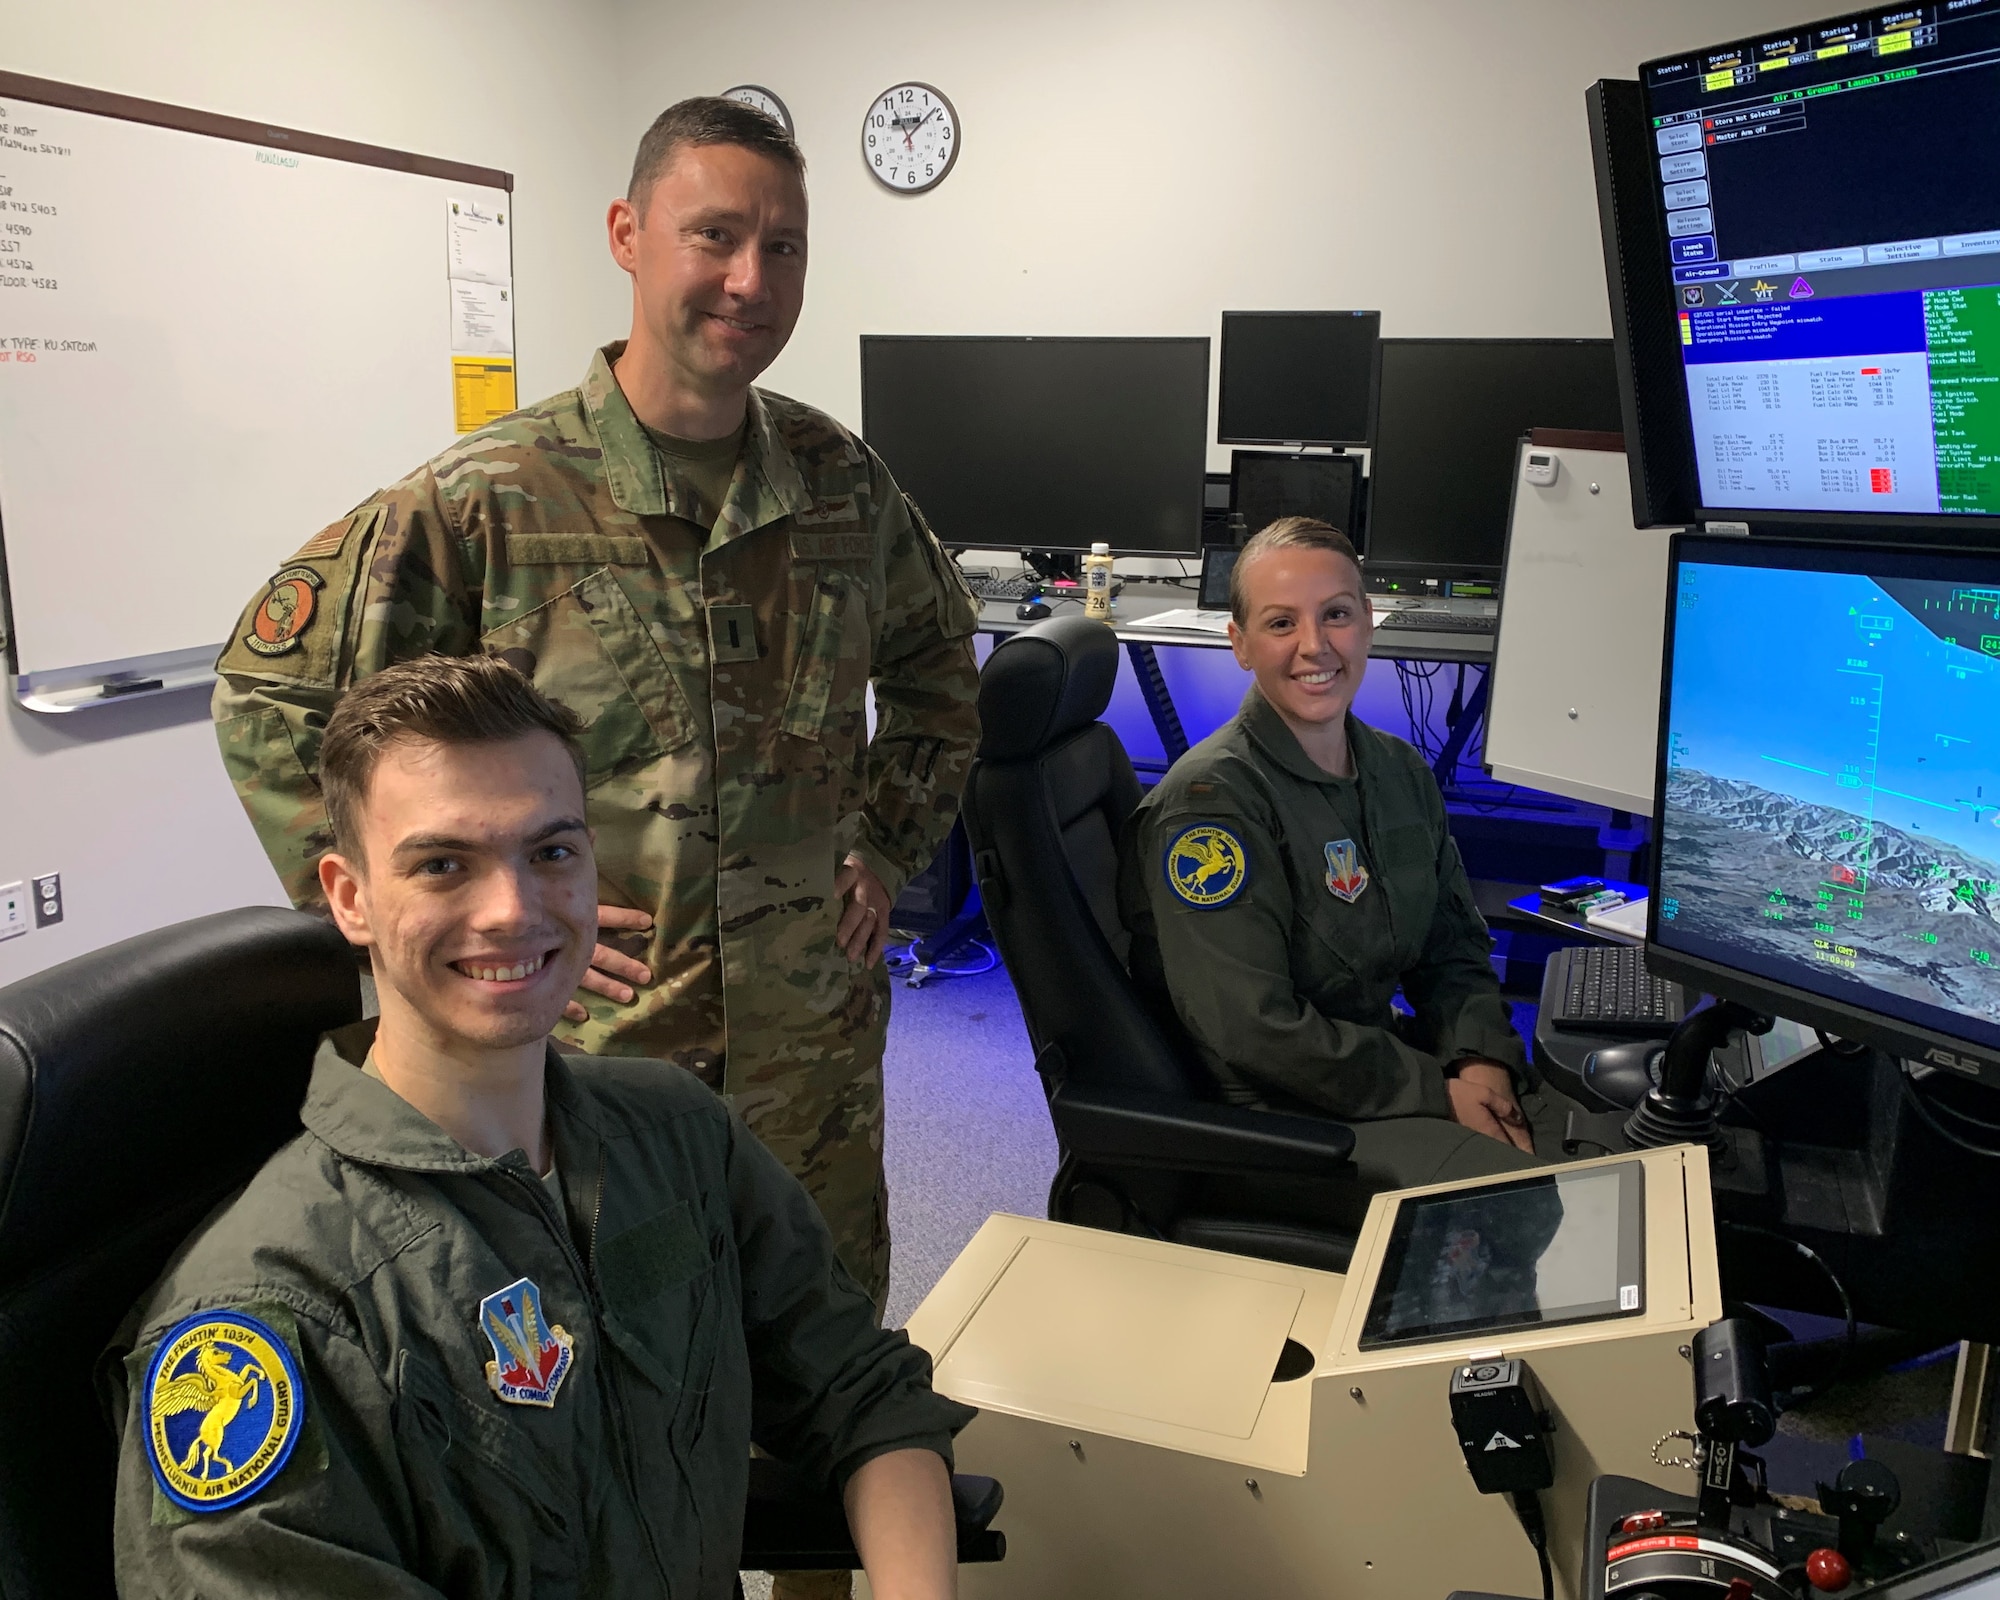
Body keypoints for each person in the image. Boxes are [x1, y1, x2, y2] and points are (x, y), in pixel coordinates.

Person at [210, 97, 981, 1325]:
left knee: (819, 1362)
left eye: (781, 246)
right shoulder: (487, 500)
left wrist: (885, 845)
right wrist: (443, 937)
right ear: (628, 233)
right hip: (594, 1061)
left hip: (813, 1058)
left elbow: (944, 670)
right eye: (713, 235)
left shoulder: (840, 482)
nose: (748, 279)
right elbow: (271, 693)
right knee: (604, 1381)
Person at [111, 655, 973, 1599]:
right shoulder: (270, 1319)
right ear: (349, 898)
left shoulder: (675, 1134)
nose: (513, 910)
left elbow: (862, 1393)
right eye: (443, 865)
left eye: (551, 852)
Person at [1117, 517, 1586, 1190]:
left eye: (1335, 614)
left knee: (1603, 1149)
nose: (1315, 646)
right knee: (1547, 1201)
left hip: (1380, 1062)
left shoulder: (1397, 770)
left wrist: (1478, 1058)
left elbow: (1451, 945)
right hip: (1284, 1111)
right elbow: (1254, 1034)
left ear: (1369, 621)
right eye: (1281, 624)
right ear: (1240, 644)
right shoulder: (1211, 807)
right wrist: (1435, 1086)